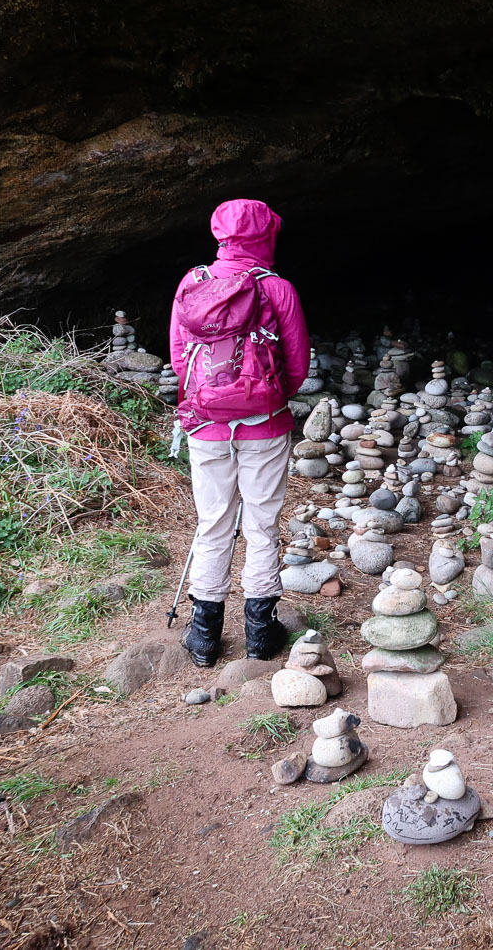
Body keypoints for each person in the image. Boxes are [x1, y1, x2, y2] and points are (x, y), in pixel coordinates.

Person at [169, 199, 310, 667]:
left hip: (205, 425)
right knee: (262, 525)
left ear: (220, 235)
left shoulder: (192, 283)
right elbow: (297, 367)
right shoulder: (277, 289)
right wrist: (261, 397)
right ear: (266, 236)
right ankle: (260, 633)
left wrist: (215, 399)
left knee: (212, 523)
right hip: (264, 425)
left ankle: (204, 636)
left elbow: (180, 360)